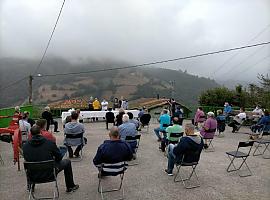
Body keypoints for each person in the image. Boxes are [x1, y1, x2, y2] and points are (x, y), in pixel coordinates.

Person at [23, 125, 79, 193]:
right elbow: (59, 158)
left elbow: (27, 159)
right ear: (41, 132)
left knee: (31, 162)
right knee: (67, 162)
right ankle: (70, 186)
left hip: (33, 175)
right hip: (50, 173)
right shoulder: (49, 143)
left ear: (31, 134)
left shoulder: (25, 146)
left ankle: (31, 186)